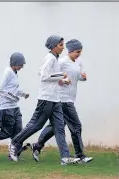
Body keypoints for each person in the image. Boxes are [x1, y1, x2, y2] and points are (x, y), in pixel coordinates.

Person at [8, 35, 81, 165]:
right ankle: (15, 143)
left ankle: (65, 157)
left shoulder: (55, 59)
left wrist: (63, 81)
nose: (63, 47)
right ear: (53, 46)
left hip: (56, 99)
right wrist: (61, 75)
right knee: (36, 125)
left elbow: (45, 75)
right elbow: (43, 76)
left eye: (63, 45)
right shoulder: (50, 58)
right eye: (60, 45)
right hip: (46, 99)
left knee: (59, 128)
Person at [30, 39, 93, 163]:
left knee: (55, 127)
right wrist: (63, 80)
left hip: (70, 97)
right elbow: (52, 75)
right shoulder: (62, 61)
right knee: (76, 125)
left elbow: (78, 76)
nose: (79, 54)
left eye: (80, 51)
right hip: (63, 98)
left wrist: (83, 77)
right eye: (77, 51)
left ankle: (37, 146)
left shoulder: (79, 62)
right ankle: (80, 155)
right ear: (70, 50)